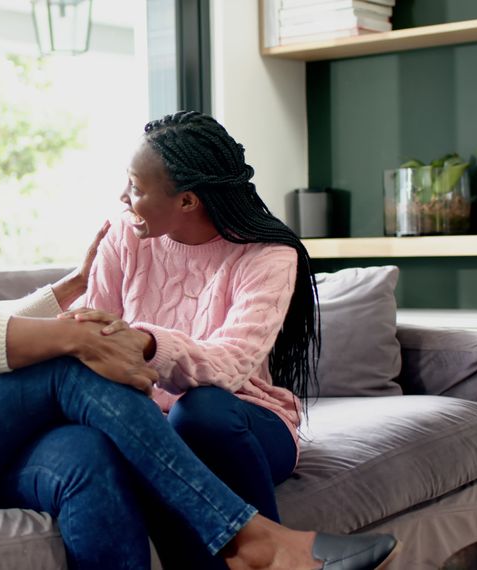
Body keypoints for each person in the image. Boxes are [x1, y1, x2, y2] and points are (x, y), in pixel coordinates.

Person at [0, 50, 398, 570]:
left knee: (83, 457)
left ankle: (243, 548)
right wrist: (70, 338)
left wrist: (66, 294)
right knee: (73, 366)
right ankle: (251, 540)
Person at [66, 110, 321, 567]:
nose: (123, 197)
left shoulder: (267, 255)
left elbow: (230, 365)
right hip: (151, 423)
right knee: (131, 444)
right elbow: (90, 331)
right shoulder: (124, 235)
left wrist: (145, 343)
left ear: (186, 201)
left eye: (137, 188)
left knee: (198, 411)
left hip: (245, 418)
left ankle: (272, 555)